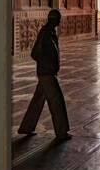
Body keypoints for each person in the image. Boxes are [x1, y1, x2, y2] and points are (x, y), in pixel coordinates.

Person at [18, 9, 71, 141]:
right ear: (53, 20)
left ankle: (26, 127)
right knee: (56, 101)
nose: (59, 21)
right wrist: (46, 65)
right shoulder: (45, 33)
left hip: (47, 72)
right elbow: (35, 53)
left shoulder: (50, 32)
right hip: (46, 73)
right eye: (58, 19)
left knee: (37, 101)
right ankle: (61, 132)